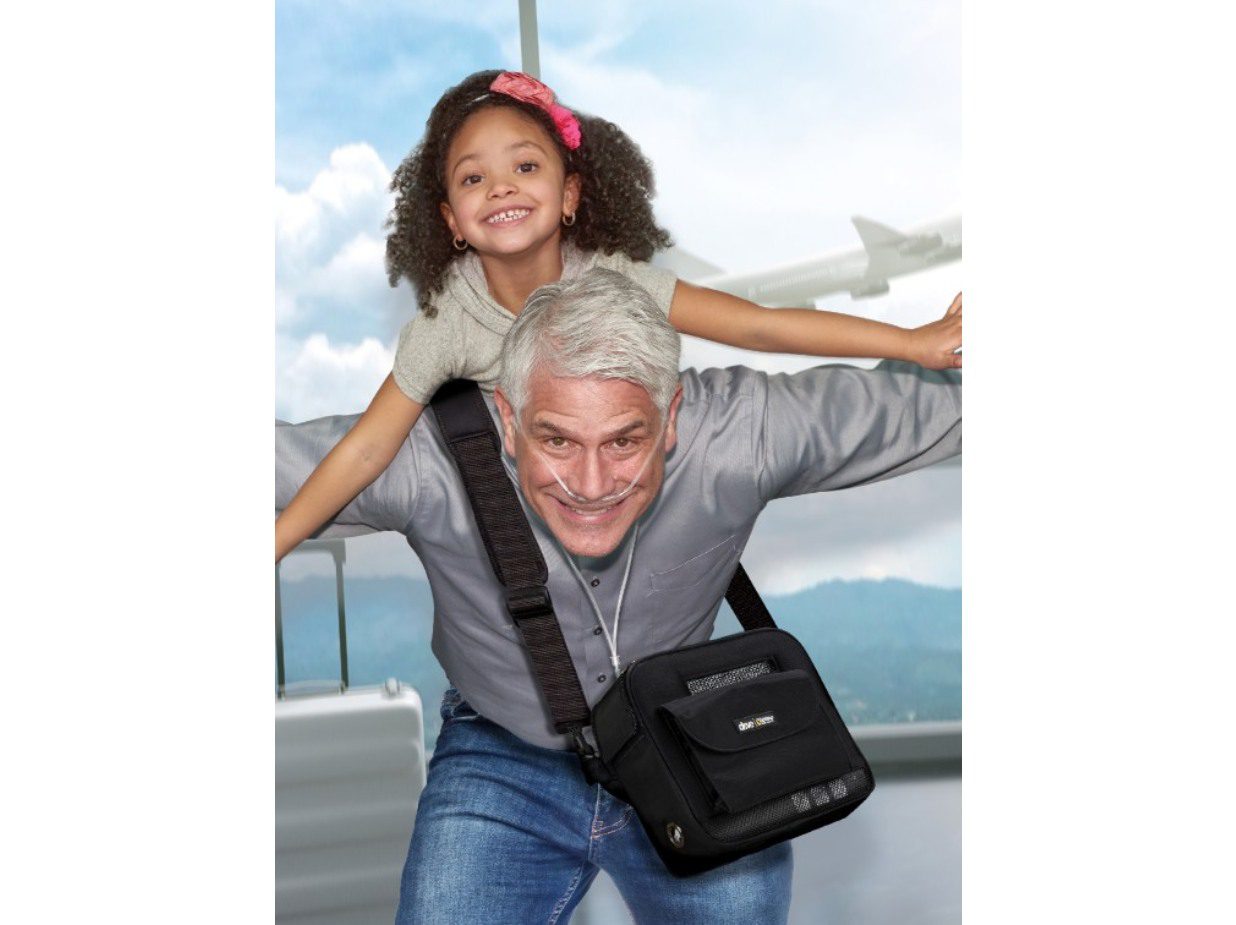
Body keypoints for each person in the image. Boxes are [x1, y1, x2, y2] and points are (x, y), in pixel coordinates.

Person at [275, 268, 962, 923]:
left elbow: (918, 409)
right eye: (558, 440)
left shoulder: (741, 431)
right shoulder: (428, 455)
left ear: (672, 419)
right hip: (500, 755)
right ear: (509, 421)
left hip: (694, 746)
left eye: (626, 440)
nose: (593, 481)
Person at [274, 68, 962, 562]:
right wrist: (275, 545)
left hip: (633, 479)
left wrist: (916, 343)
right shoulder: (446, 323)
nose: (502, 187)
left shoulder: (615, 280)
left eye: (525, 166)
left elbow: (757, 325)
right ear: (452, 220)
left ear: (570, 195)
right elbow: (366, 448)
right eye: (474, 178)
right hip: (526, 498)